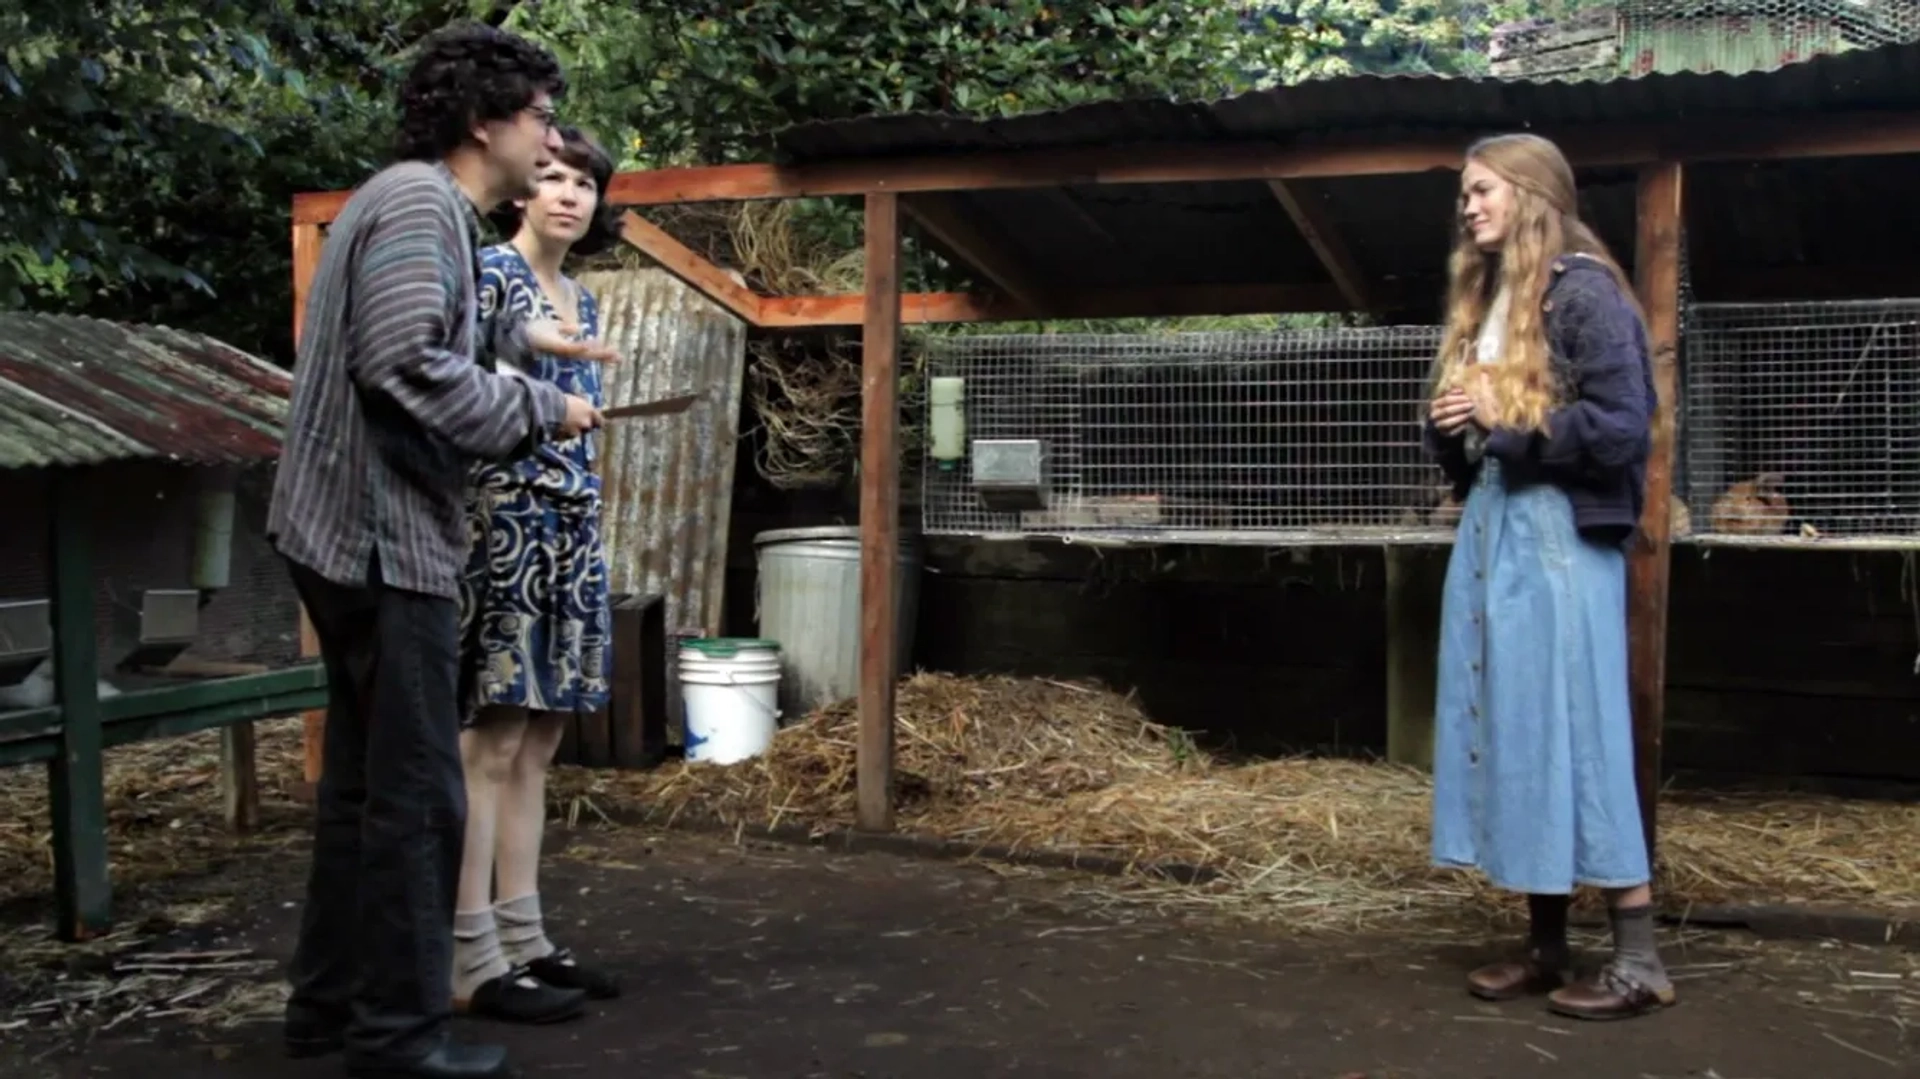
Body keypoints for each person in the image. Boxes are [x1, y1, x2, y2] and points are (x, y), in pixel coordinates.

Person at [267, 23, 616, 1079]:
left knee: (366, 791)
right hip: (379, 538)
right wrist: (536, 405)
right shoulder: (423, 203)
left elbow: (431, 333)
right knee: (420, 793)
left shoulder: (407, 205)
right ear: (485, 122)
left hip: (340, 531)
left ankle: (330, 1013)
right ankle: (399, 1035)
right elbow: (403, 359)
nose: (549, 140)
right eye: (540, 118)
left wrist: (519, 345)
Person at [1423, 132, 1672, 1022]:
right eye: (1464, 192)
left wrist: (1513, 424)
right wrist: (1454, 422)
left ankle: (1639, 958)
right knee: (1518, 727)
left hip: (1560, 537)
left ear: (1531, 195)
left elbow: (1622, 429)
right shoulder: (1491, 298)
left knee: (1580, 727)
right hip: (1495, 530)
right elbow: (1481, 444)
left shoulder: (1587, 295)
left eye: (1482, 189)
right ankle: (1546, 945)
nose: (1469, 205)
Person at [449, 124, 624, 1025]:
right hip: (506, 520)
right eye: (552, 177)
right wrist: (549, 357)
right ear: (521, 190)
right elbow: (485, 351)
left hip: (571, 529)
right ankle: (469, 954)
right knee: (490, 741)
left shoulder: (586, 300)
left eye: (585, 184)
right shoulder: (491, 272)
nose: (569, 194)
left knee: (542, 742)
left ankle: (526, 937)